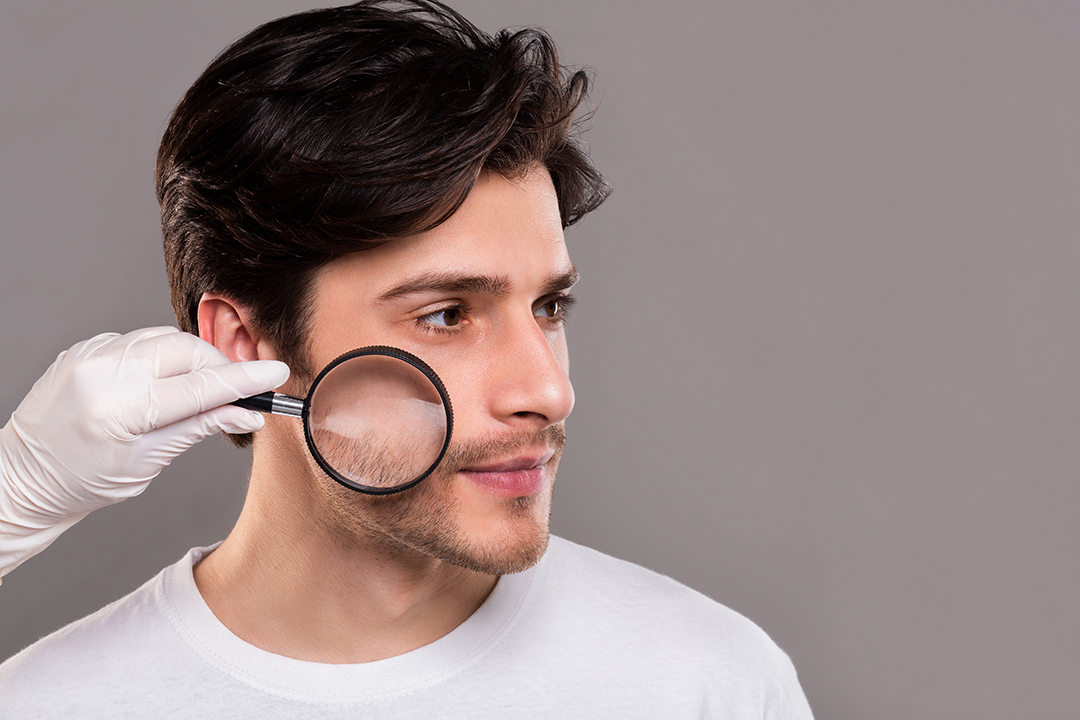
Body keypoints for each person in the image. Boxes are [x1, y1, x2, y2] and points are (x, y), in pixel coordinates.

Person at [0, 2, 814, 716]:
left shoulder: (710, 687)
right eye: (447, 315)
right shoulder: (49, 706)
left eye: (549, 307)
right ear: (244, 347)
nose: (548, 390)